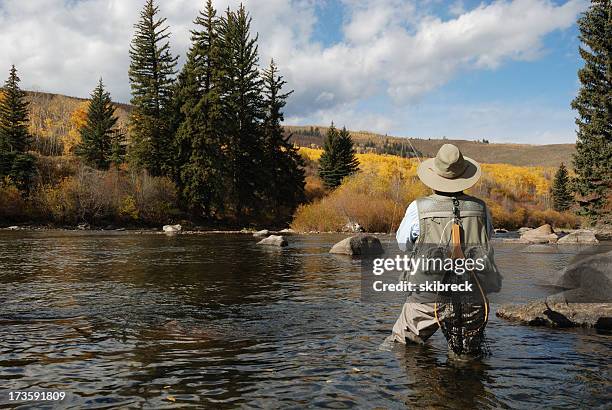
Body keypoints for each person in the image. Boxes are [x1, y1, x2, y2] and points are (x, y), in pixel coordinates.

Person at [390, 143, 501, 346]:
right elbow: (487, 239)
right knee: (467, 357)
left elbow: (403, 244)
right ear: (464, 177)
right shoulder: (481, 208)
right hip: (472, 294)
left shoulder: (417, 208)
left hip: (427, 294)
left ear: (435, 176)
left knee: (402, 347)